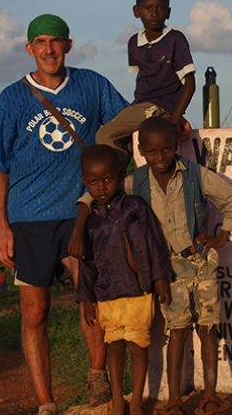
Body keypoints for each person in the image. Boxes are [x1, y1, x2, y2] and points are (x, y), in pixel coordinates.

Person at [0, 13, 129, 415]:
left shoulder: (92, 85)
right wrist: (1, 225)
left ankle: (97, 377)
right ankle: (46, 402)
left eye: (56, 41)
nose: (49, 49)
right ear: (29, 49)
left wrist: (167, 122)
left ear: (68, 45)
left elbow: (126, 122)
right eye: (41, 42)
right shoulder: (11, 98)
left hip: (79, 210)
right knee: (36, 311)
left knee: (93, 293)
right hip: (28, 216)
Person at [72, 117, 232, 415]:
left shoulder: (194, 175)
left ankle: (210, 396)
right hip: (168, 266)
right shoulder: (133, 182)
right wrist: (77, 228)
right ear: (141, 151)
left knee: (208, 327)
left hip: (201, 259)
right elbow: (92, 196)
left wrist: (220, 237)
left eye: (166, 150)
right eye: (151, 152)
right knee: (176, 329)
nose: (160, 158)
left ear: (176, 146)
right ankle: (174, 398)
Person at [75, 145, 175, 415]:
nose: (102, 187)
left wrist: (160, 278)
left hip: (138, 291)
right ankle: (118, 399)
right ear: (85, 182)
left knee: (138, 345)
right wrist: (86, 299)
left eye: (107, 179)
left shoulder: (135, 206)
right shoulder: (91, 221)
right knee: (115, 347)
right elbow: (87, 263)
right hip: (107, 294)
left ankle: (136, 402)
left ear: (119, 175)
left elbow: (155, 242)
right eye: (94, 182)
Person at [95, 0, 195, 171]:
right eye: (148, 8)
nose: (154, 13)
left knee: (104, 135)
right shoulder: (134, 43)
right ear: (136, 11)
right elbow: (144, 83)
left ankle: (114, 188)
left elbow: (189, 84)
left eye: (160, 8)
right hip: (141, 107)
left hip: (157, 108)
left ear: (169, 12)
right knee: (125, 143)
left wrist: (175, 120)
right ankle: (123, 186)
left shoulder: (175, 39)